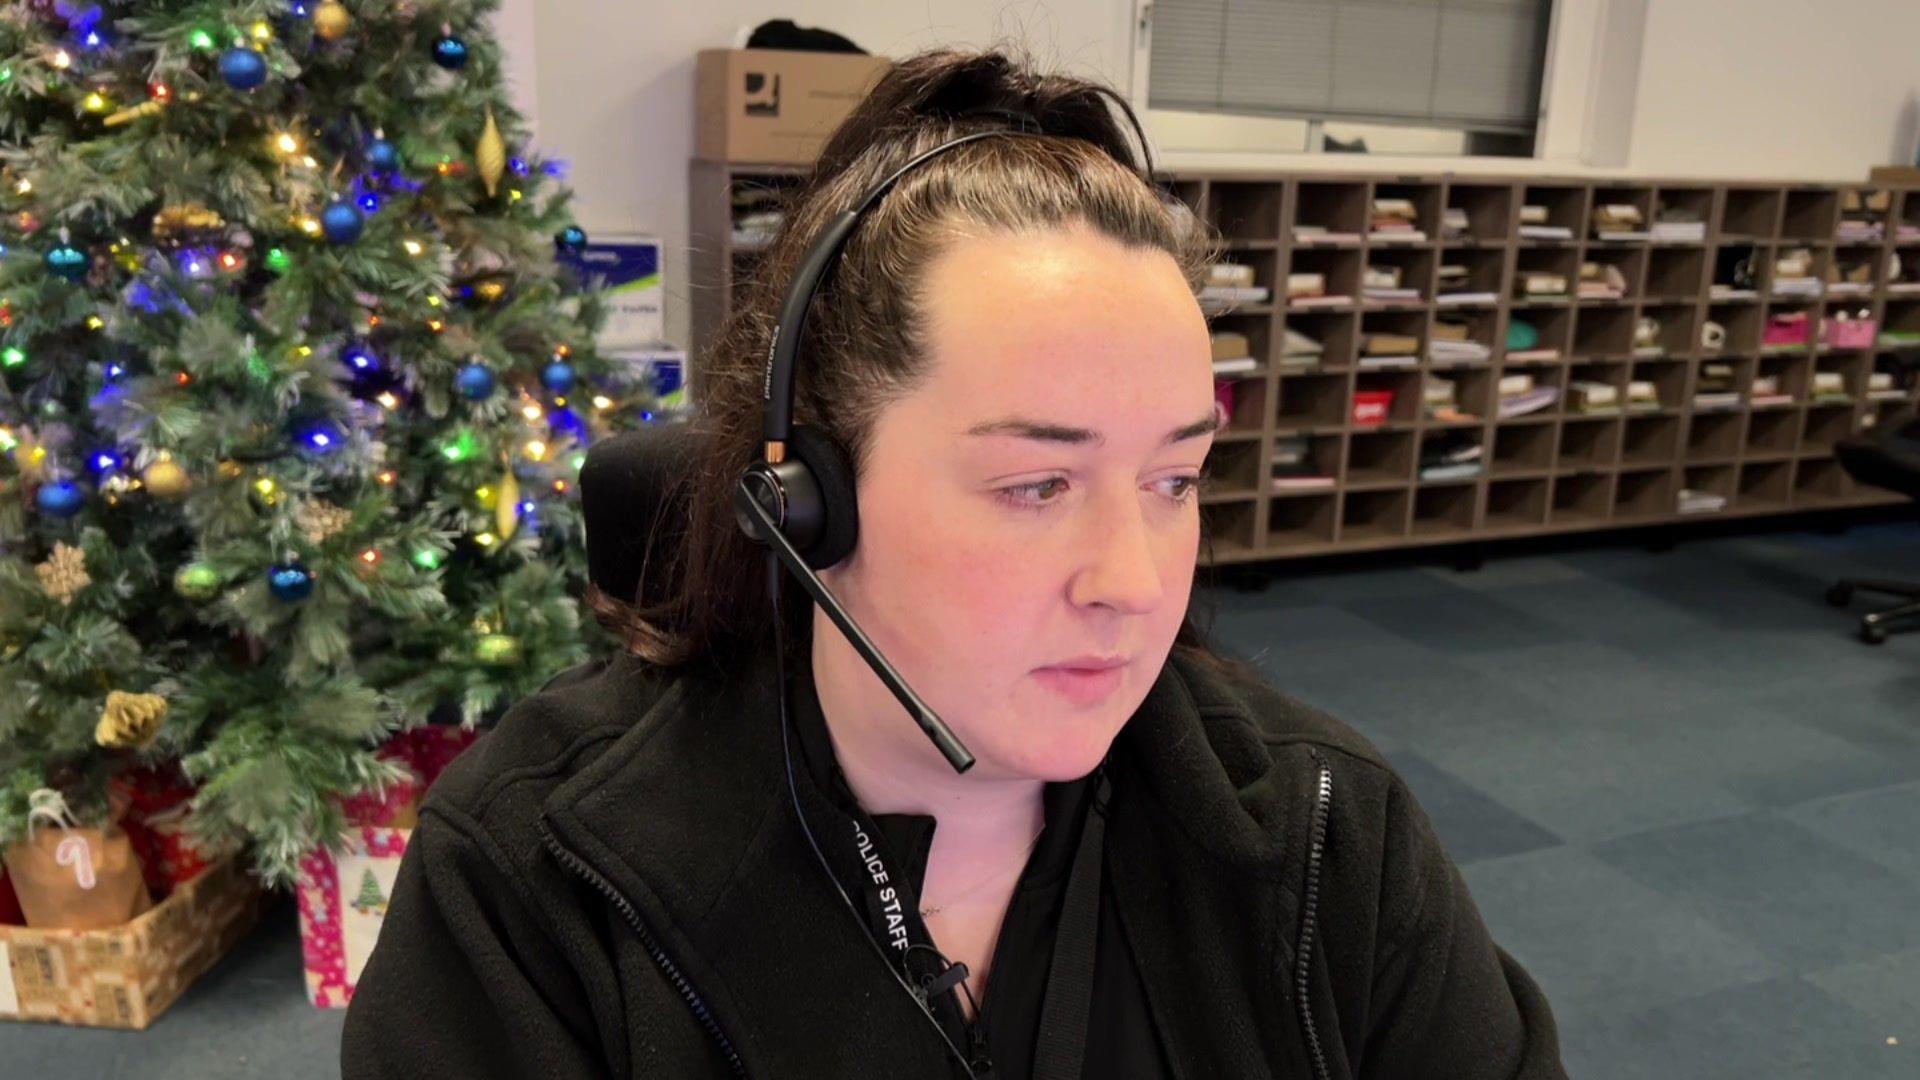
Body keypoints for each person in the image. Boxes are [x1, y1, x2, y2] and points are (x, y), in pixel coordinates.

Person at [342, 45, 1568, 1079]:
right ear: (806, 500)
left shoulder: (1323, 835)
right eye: (1036, 485)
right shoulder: (531, 889)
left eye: (1173, 480)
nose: (1133, 583)